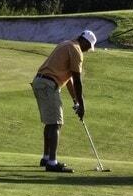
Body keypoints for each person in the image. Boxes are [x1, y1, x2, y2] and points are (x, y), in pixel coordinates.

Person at [31, 29, 96, 172]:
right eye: (88, 47)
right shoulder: (76, 49)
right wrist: (82, 105)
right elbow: (78, 80)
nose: (86, 51)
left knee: (50, 122)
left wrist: (76, 101)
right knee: (56, 123)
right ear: (84, 42)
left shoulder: (66, 44)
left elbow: (69, 81)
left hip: (40, 82)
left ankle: (46, 158)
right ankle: (52, 163)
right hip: (48, 84)